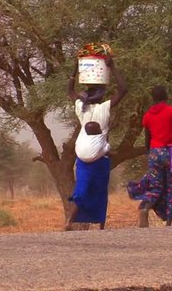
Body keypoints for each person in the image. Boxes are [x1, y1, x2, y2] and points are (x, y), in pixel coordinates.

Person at [65, 54, 127, 230]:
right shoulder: (104, 109)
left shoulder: (80, 108)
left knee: (81, 191)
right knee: (100, 191)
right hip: (100, 159)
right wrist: (113, 68)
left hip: (82, 160)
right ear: (100, 97)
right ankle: (101, 226)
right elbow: (123, 90)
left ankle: (70, 220)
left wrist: (75, 70)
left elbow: (70, 91)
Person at [127, 85, 172, 227]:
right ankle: (168, 222)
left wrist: (150, 153)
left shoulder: (147, 116)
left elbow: (147, 139)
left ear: (153, 98)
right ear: (166, 96)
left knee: (155, 187)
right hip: (170, 153)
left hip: (154, 153)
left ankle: (145, 208)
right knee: (170, 187)